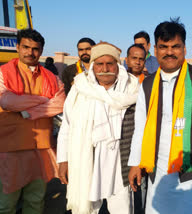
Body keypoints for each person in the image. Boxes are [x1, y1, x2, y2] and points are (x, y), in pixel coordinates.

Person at [128, 18, 192, 214]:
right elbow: (140, 125)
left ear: (184, 48)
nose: (170, 52)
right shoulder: (147, 84)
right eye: (164, 47)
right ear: (155, 50)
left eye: (176, 46)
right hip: (158, 174)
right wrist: (135, 163)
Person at [57, 42, 140, 214]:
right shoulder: (80, 89)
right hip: (88, 158)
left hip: (121, 161)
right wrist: (63, 160)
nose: (105, 68)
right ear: (93, 67)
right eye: (100, 64)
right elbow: (67, 126)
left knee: (123, 208)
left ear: (117, 65)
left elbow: (141, 129)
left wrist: (137, 162)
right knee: (87, 209)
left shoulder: (133, 89)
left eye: (110, 63)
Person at [0, 29, 65, 214]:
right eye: (26, 47)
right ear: (18, 47)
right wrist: (45, 100)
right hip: (9, 148)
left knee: (35, 202)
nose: (30, 52)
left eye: (35, 49)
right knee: (6, 204)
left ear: (42, 50)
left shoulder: (51, 77)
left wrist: (25, 110)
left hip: (41, 149)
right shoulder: (3, 73)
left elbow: (60, 103)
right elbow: (6, 101)